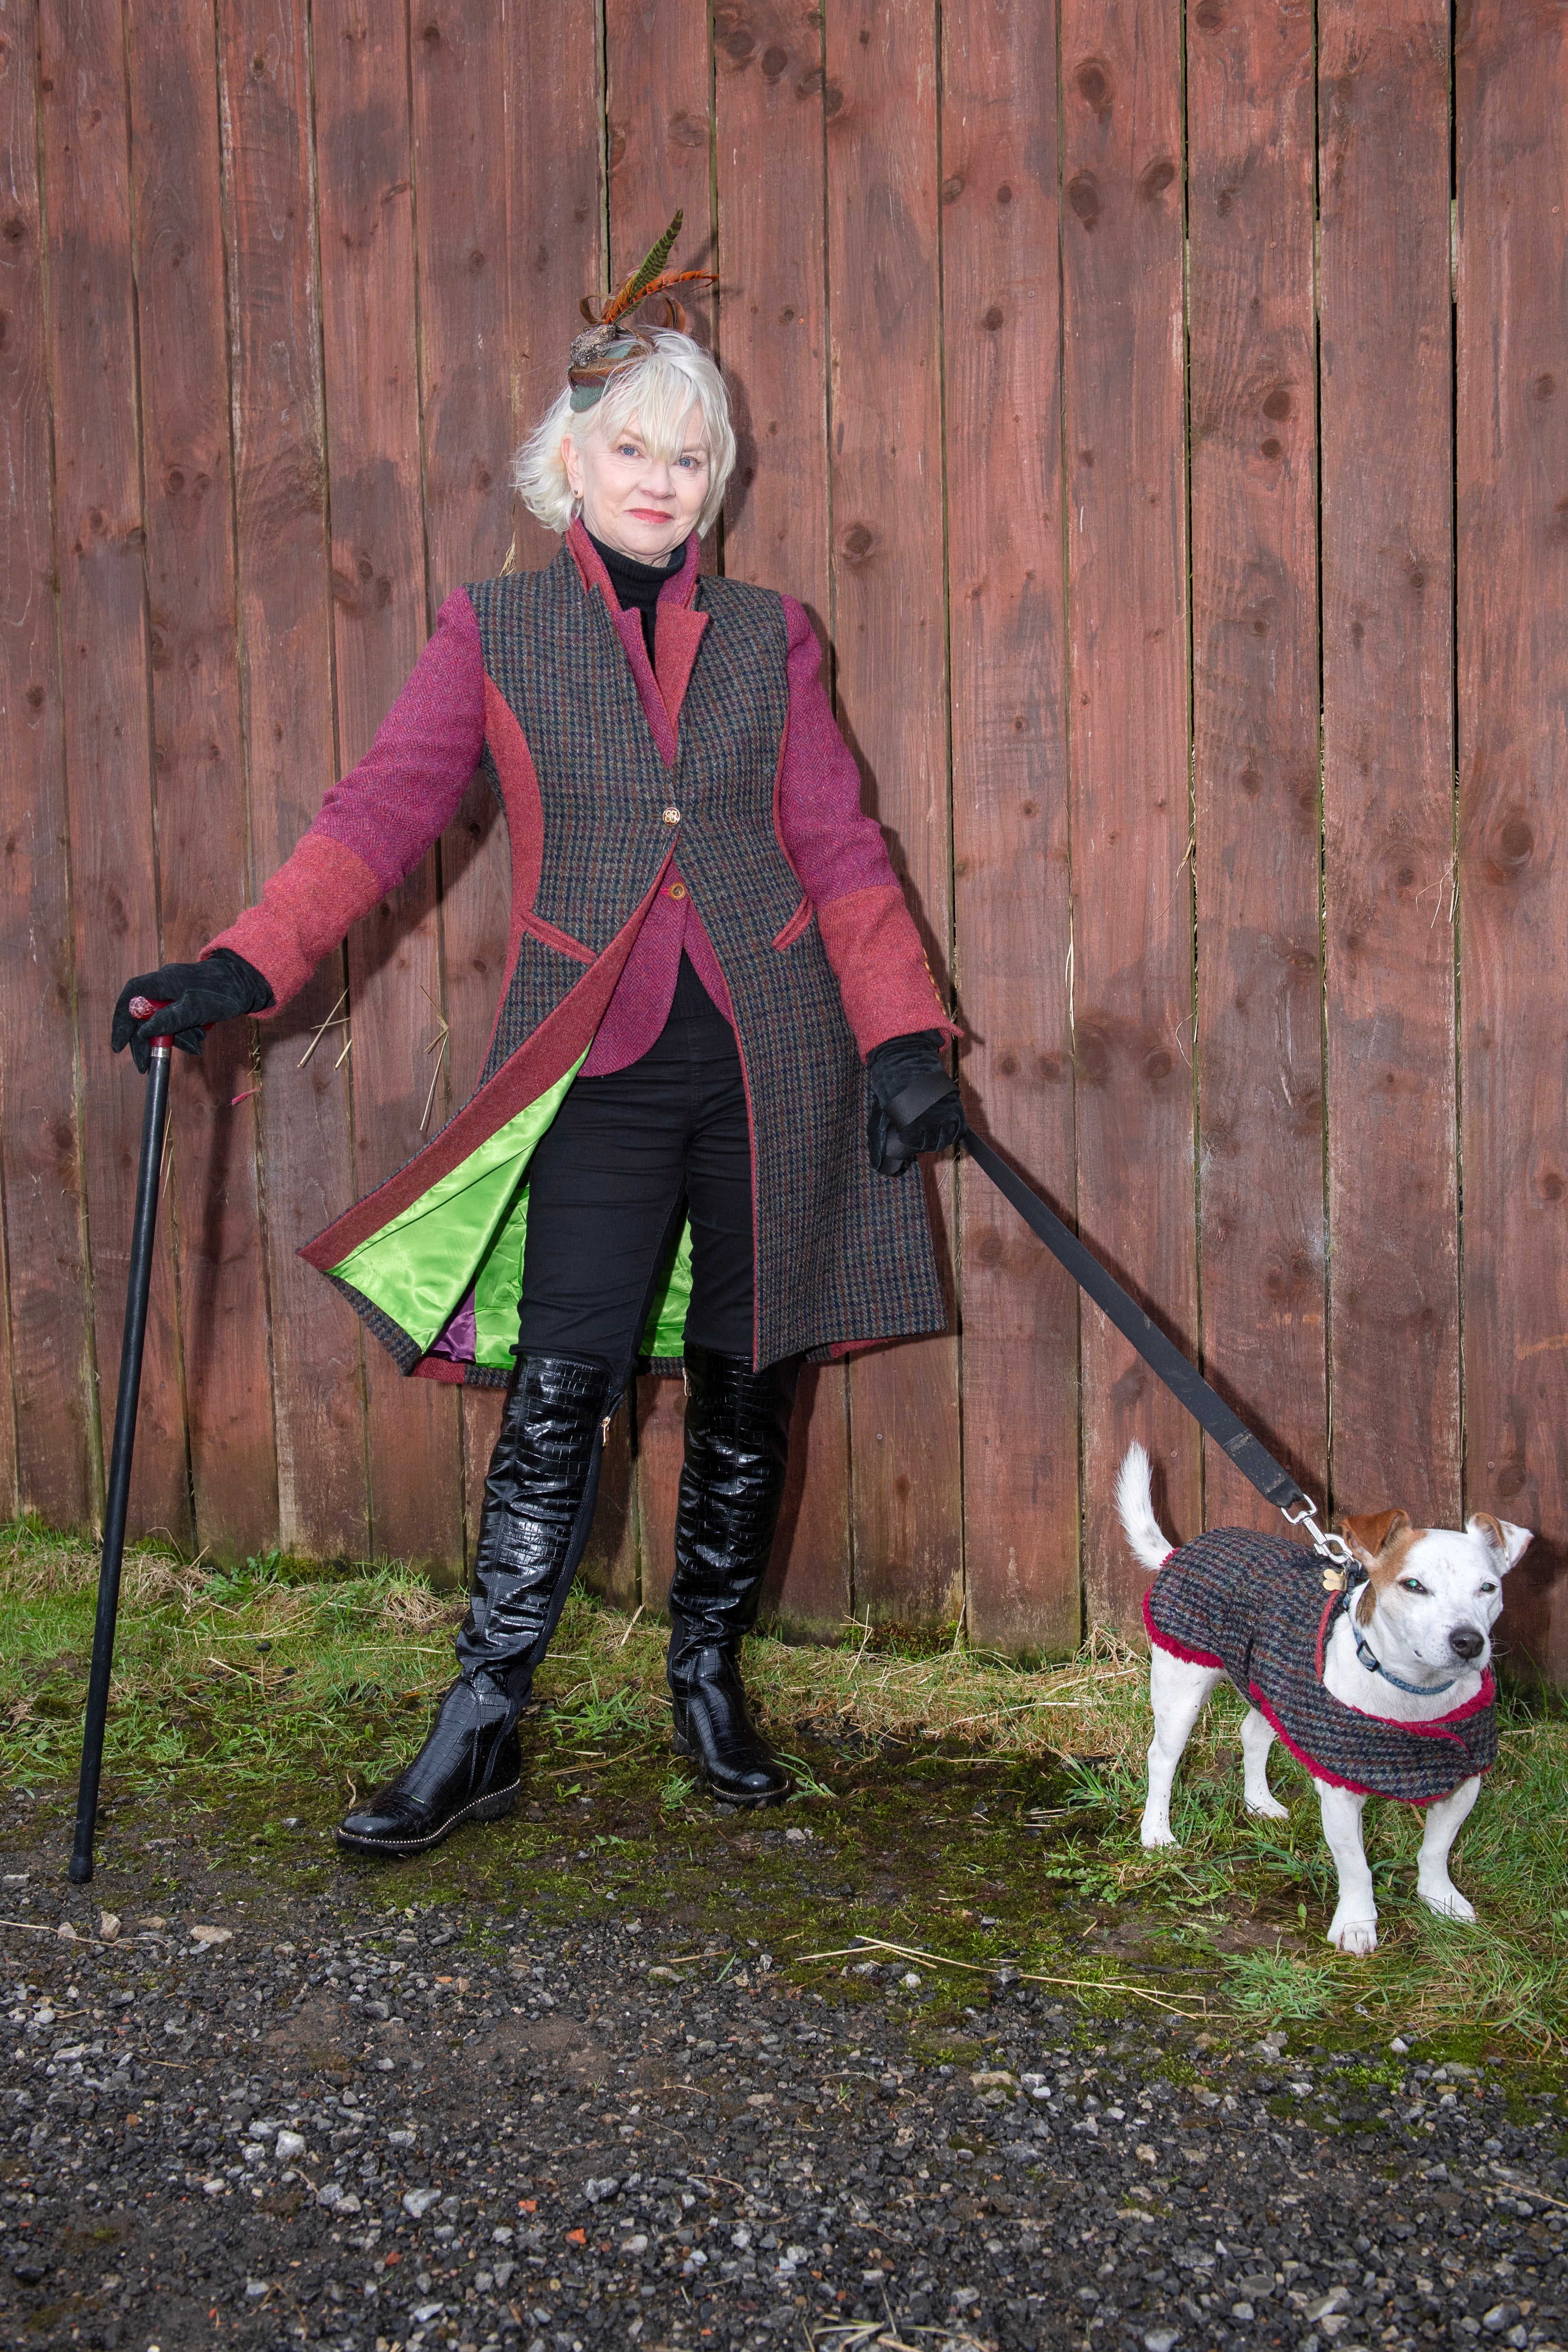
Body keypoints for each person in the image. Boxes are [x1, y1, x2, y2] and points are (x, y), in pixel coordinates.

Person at [112, 217, 964, 1857]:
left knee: (747, 1371)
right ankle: (484, 1718)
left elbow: (842, 845)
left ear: (721, 479)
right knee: (562, 1380)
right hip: (601, 1061)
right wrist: (244, 961)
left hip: (777, 1055)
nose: (660, 478)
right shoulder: (494, 633)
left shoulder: (771, 636)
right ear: (568, 460)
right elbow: (383, 815)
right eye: (632, 446)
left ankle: (707, 1678)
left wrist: (905, 1036)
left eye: (690, 454)